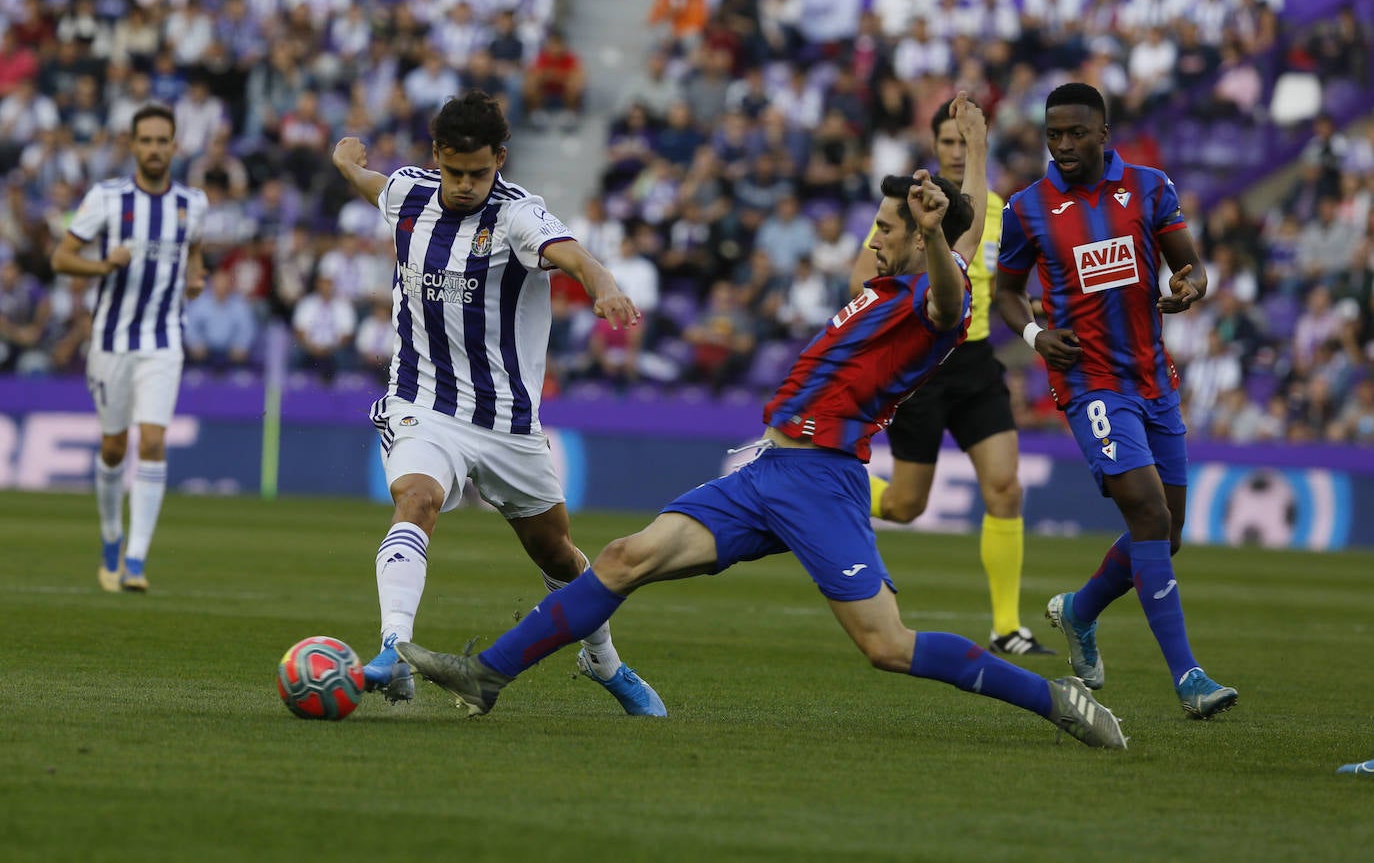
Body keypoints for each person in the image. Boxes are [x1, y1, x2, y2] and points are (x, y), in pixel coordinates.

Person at [396, 171, 1127, 751]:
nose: (873, 238)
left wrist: (937, 235)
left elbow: (948, 296)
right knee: (623, 556)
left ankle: (1054, 699)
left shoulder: (934, 295)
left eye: (886, 229)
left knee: (886, 644)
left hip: (821, 481)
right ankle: (488, 673)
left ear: (926, 236)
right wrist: (939, 203)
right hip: (767, 472)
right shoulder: (877, 290)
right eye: (877, 225)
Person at [330, 90, 665, 715]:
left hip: (508, 422)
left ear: (500, 161)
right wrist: (347, 160)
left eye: (478, 173)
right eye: (454, 172)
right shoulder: (408, 194)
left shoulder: (517, 215)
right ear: (437, 158)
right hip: (422, 402)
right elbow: (373, 182)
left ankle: (604, 661)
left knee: (556, 553)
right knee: (416, 498)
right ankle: (392, 651)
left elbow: (571, 255)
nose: (464, 185)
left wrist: (605, 284)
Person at [993, 82, 1238, 719]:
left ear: (1104, 134)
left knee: (1169, 531)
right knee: (1150, 517)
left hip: (1154, 379)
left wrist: (1189, 287)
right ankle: (1189, 679)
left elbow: (1191, 267)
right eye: (1054, 135)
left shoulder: (1152, 188)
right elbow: (1007, 293)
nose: (1064, 145)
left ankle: (1079, 610)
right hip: (1088, 382)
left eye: (1076, 133)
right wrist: (1036, 335)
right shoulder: (1028, 207)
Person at [850, 93, 1053, 658]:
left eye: (965, 142)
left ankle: (1008, 627)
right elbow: (863, 275)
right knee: (904, 508)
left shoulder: (995, 208)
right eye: (948, 143)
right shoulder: (915, 209)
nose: (958, 152)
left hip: (976, 361)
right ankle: (821, 478)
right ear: (933, 148)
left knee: (1006, 489)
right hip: (924, 367)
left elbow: (1007, 279)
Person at [50, 103, 207, 593]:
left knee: (154, 440)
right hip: (111, 340)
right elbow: (61, 258)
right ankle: (112, 537)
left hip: (163, 340)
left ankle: (137, 559)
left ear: (174, 146)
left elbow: (194, 246)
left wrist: (196, 274)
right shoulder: (106, 199)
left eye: (163, 141)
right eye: (147, 141)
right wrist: (105, 266)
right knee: (114, 446)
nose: (156, 149)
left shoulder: (192, 203)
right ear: (133, 145)